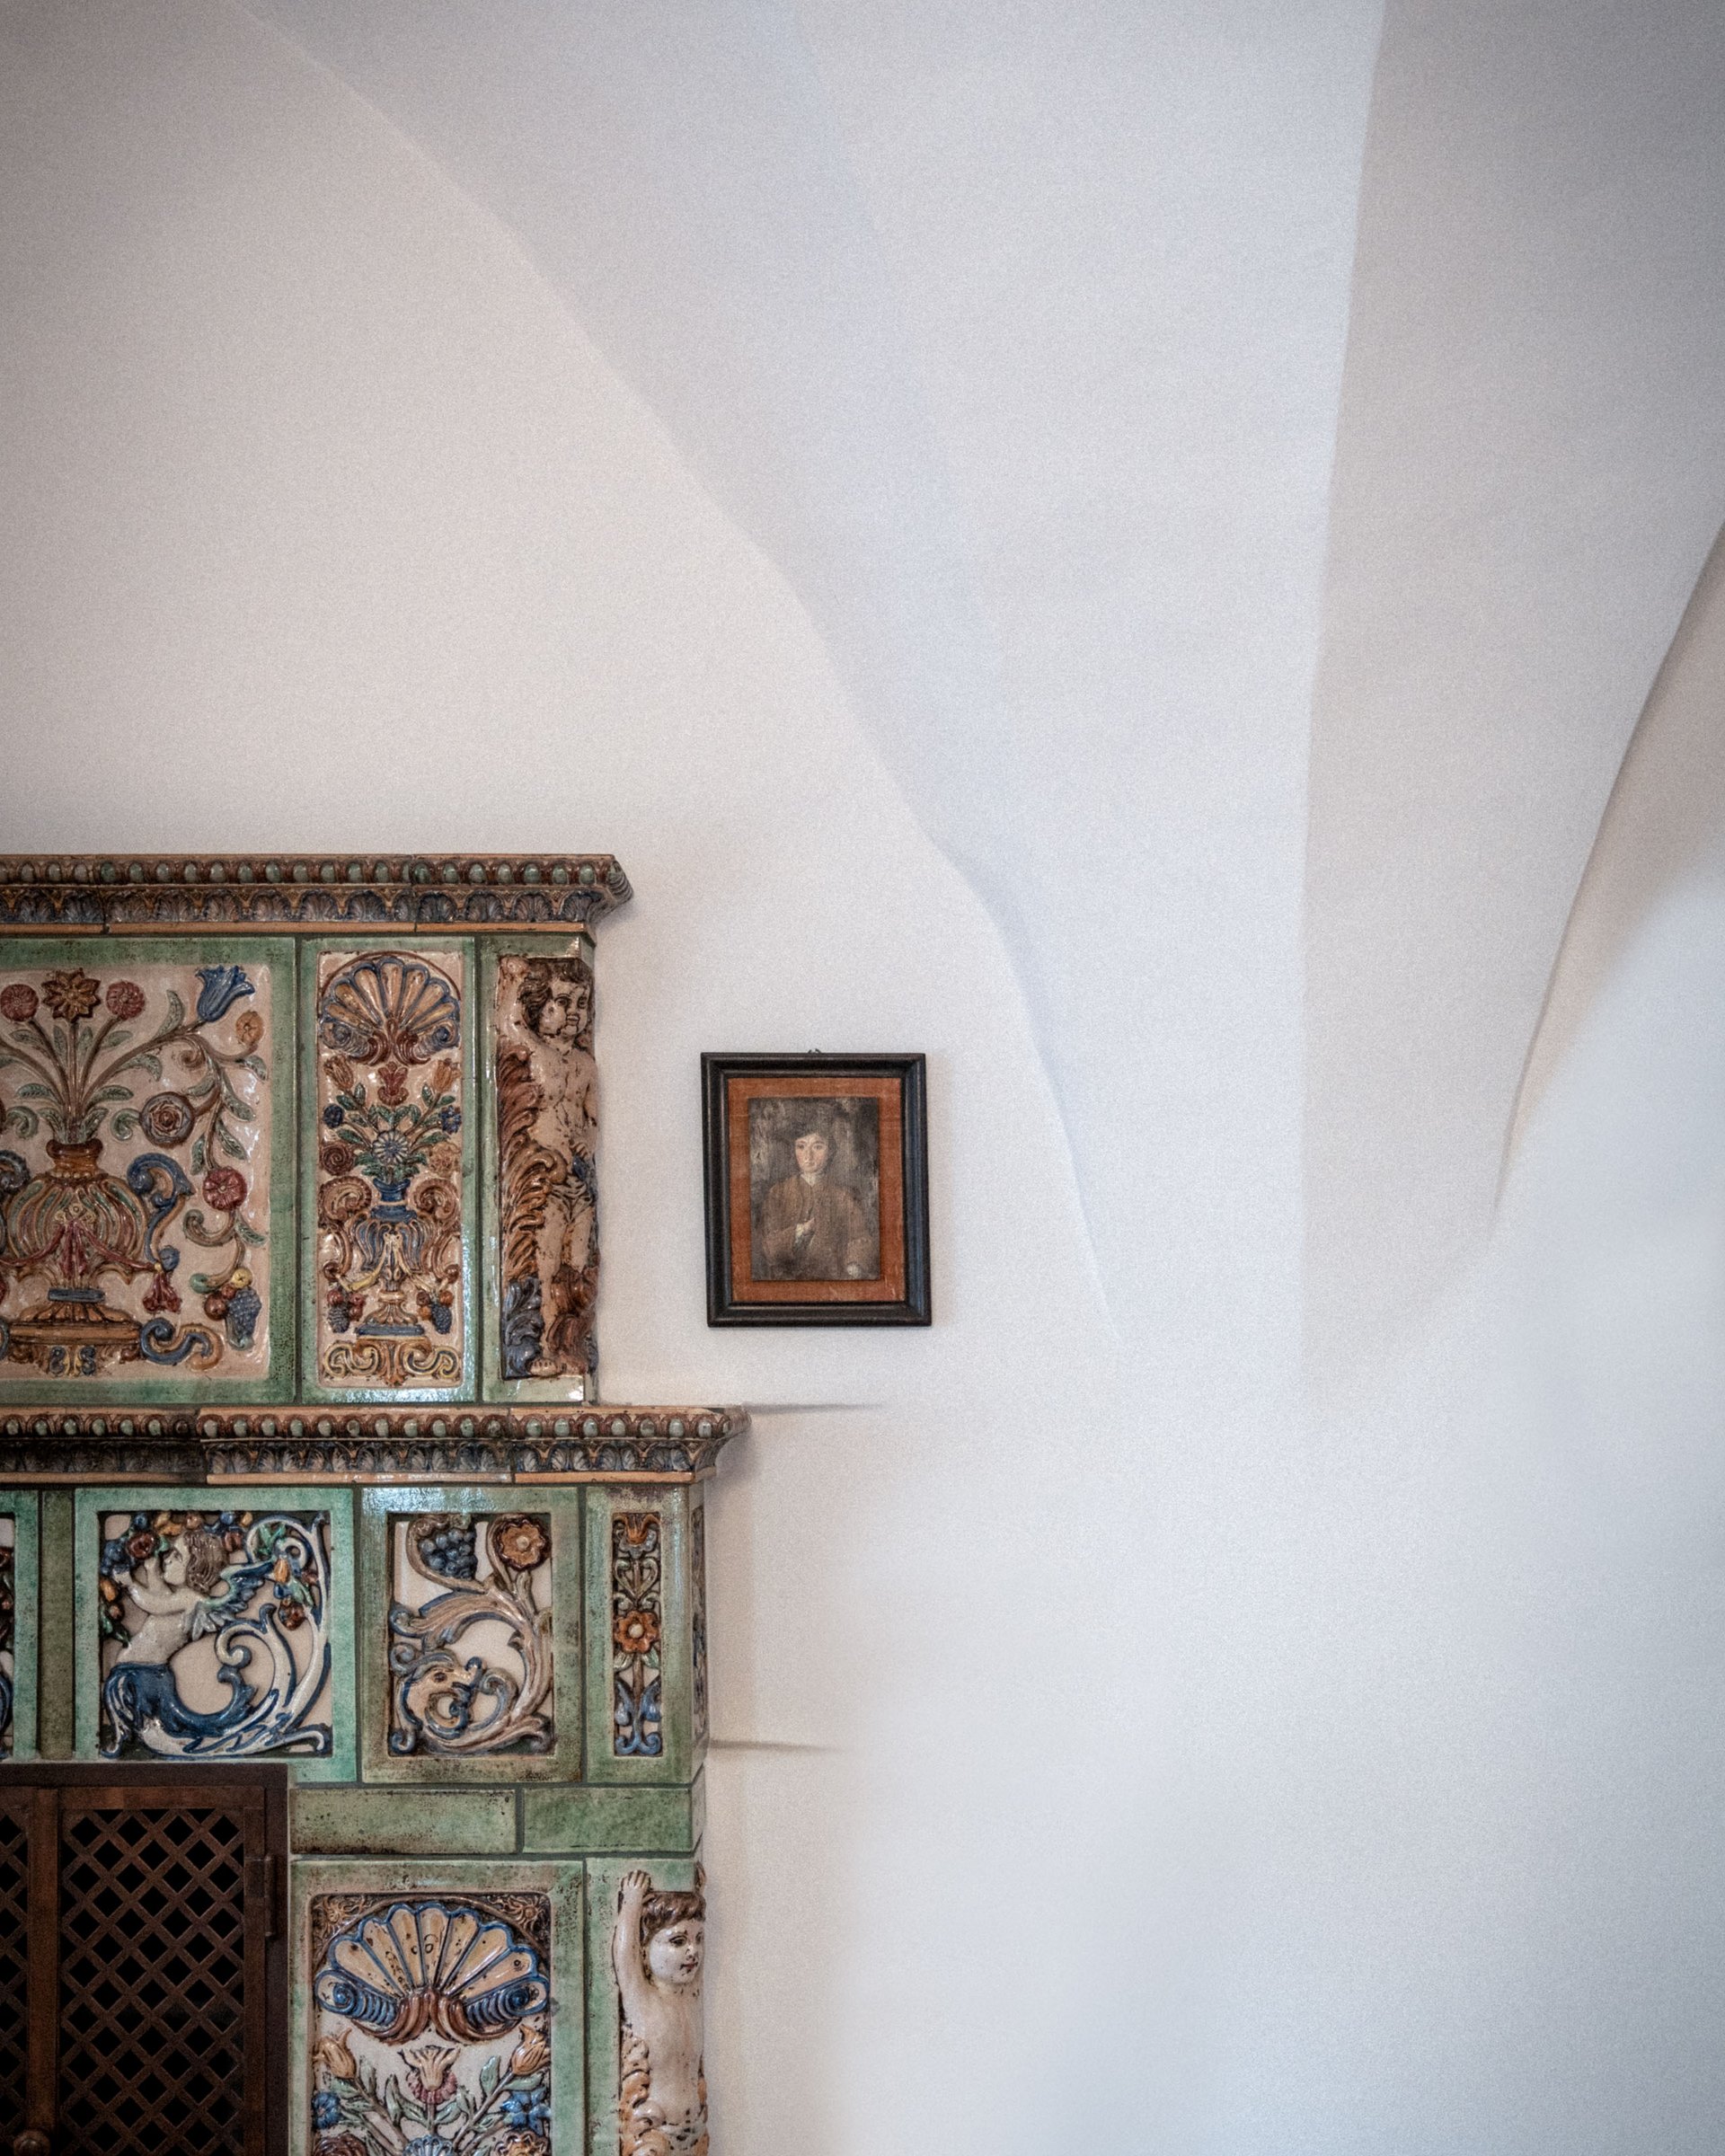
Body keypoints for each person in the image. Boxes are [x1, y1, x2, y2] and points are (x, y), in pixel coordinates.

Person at [612, 1869, 708, 2156]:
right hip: (655, 2134)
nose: (693, 1951)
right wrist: (631, 1903)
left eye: (699, 1939)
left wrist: (697, 1892)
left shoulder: (690, 1996)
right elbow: (624, 1959)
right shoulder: (644, 2001)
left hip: (694, 2129)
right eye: (678, 1942)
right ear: (644, 1952)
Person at [755, 1125, 877, 1281]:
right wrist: (800, 1231)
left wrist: (854, 1268)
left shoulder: (844, 1196)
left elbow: (861, 1240)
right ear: (793, 1150)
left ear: (830, 1151)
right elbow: (768, 1246)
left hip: (833, 1282)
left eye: (818, 1147)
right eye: (801, 1146)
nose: (808, 1155)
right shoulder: (777, 1193)